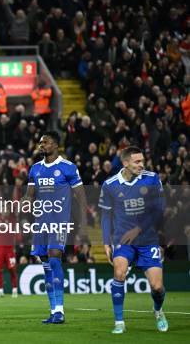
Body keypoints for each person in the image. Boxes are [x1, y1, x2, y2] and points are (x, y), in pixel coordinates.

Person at [99, 146, 168, 334]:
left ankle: (158, 310)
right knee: (119, 273)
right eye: (137, 162)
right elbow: (105, 215)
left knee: (157, 287)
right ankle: (119, 322)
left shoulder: (152, 179)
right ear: (125, 163)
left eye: (142, 161)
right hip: (123, 239)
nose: (141, 165)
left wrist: (138, 229)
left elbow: (159, 210)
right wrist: (106, 242)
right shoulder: (110, 185)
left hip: (148, 239)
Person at [25, 131, 87, 324]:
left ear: (56, 145)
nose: (41, 145)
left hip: (59, 221)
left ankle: (60, 310)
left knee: (54, 259)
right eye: (40, 142)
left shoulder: (68, 168)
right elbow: (29, 195)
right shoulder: (35, 169)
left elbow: (81, 197)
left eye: (46, 142)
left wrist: (84, 224)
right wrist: (23, 202)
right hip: (40, 223)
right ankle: (53, 311)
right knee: (46, 265)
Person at [0, 210, 19, 298]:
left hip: (9, 248)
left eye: (6, 208)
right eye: (3, 208)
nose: (5, 211)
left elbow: (18, 209)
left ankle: (14, 289)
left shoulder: (12, 219)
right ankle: (0, 290)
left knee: (12, 269)